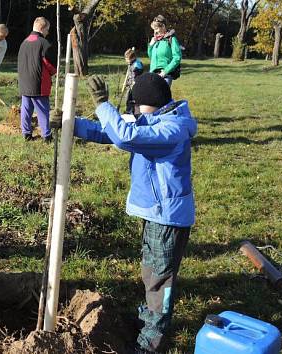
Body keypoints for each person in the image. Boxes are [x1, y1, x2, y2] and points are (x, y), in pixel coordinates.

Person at [51, 73, 196, 353]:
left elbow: (125, 135)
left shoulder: (172, 128)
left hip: (167, 216)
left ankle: (152, 342)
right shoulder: (154, 120)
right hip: (156, 212)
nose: (133, 110)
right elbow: (110, 132)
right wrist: (72, 124)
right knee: (150, 271)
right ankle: (147, 322)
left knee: (159, 279)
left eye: (136, 105)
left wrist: (103, 103)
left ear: (147, 104)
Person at [17, 17, 57, 141]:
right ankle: (47, 136)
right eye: (47, 29)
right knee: (42, 109)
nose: (48, 32)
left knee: (26, 108)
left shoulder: (24, 42)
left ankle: (26, 134)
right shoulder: (43, 43)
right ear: (42, 28)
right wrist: (54, 72)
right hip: (38, 83)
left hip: (24, 82)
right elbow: (49, 63)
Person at [147, 15, 182, 86]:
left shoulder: (171, 39)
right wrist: (150, 45)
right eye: (154, 29)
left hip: (165, 75)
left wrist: (165, 72)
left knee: (161, 96)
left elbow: (177, 57)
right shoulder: (156, 39)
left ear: (163, 26)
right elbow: (151, 57)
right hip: (152, 74)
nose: (155, 31)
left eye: (156, 28)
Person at [123, 47, 144, 114]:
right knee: (128, 98)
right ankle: (129, 110)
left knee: (132, 99)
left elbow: (135, 77)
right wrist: (126, 82)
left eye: (127, 59)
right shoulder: (132, 63)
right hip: (130, 84)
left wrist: (131, 84)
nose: (126, 61)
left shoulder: (137, 65)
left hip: (135, 85)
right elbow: (130, 74)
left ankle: (131, 112)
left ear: (133, 58)